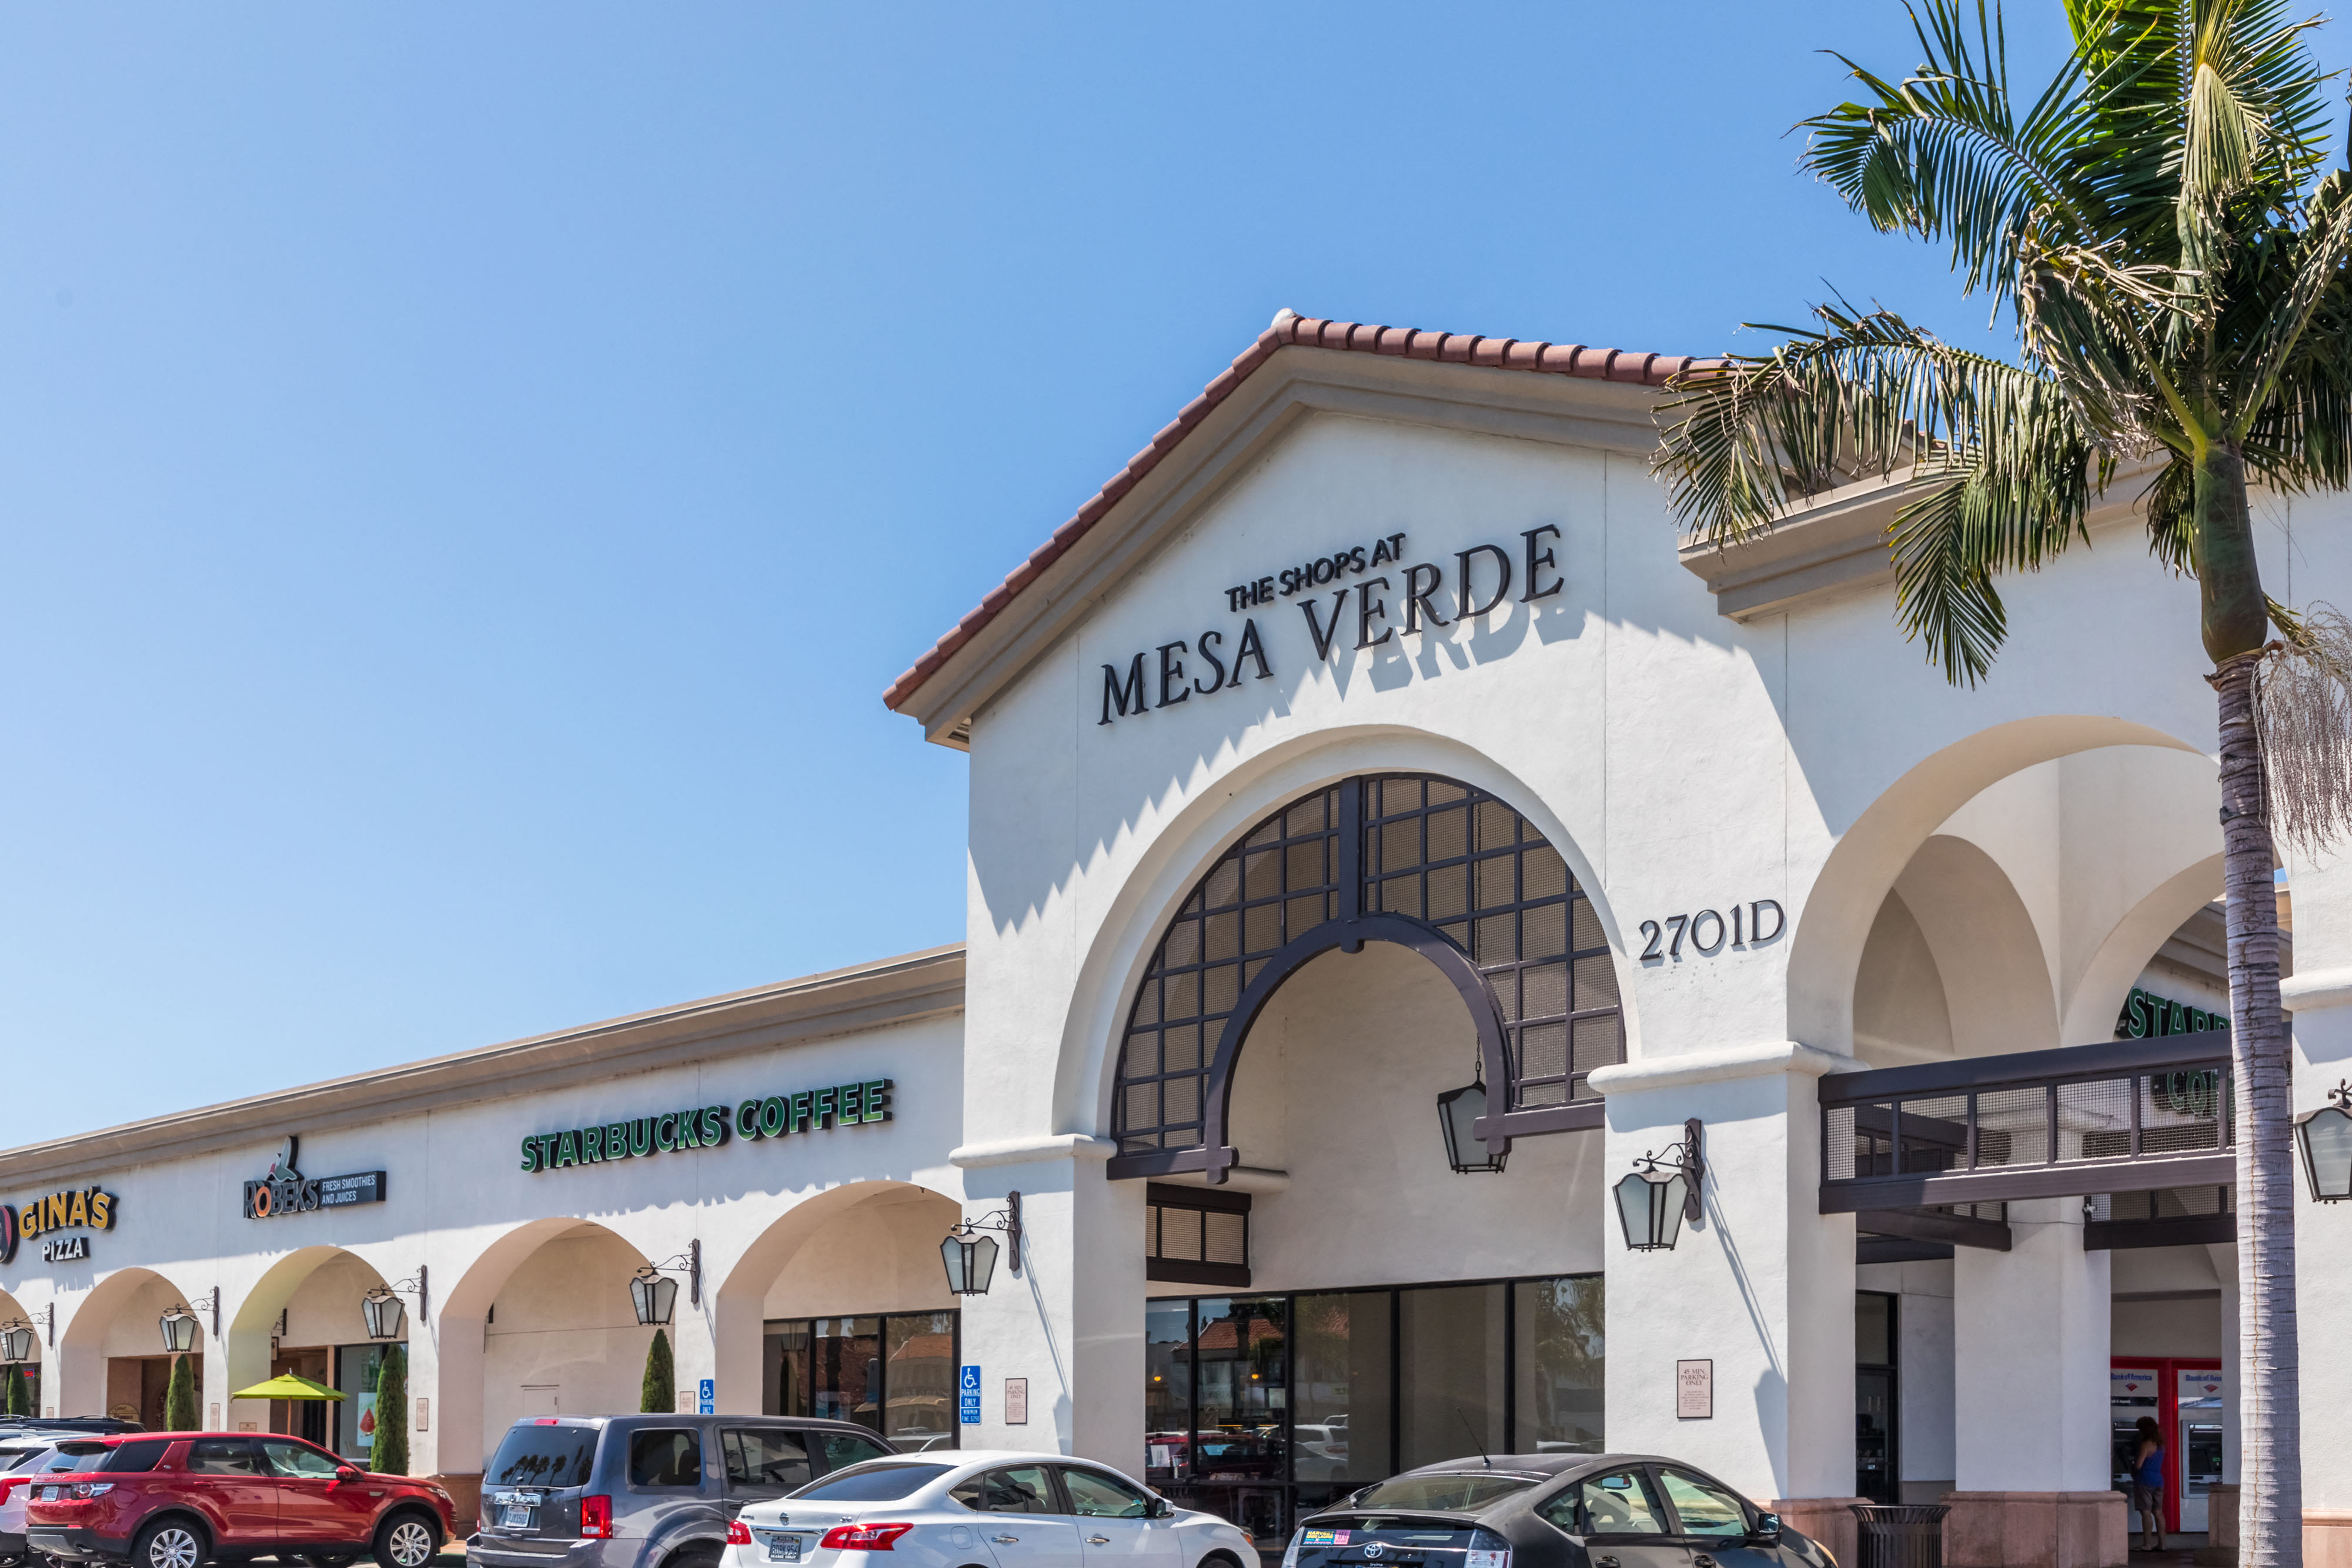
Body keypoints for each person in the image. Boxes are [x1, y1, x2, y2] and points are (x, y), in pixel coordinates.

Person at [2132, 1415, 2166, 1552]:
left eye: (2140, 1430)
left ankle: (2147, 1544)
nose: (2139, 1432)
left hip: (2144, 1481)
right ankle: (2162, 1544)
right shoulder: (2161, 1444)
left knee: (2146, 1513)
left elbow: (2139, 1465)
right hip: (2158, 1480)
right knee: (2158, 1512)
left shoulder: (2146, 1444)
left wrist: (2132, 1463)